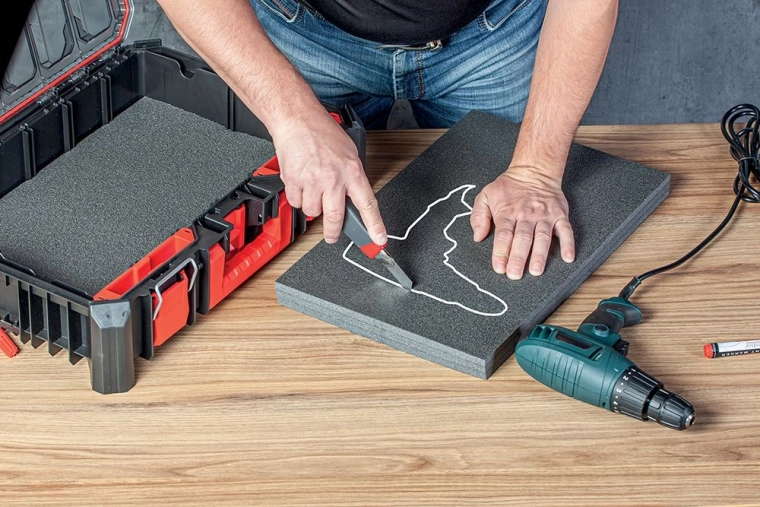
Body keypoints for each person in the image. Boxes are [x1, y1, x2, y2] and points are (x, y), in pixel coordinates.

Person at [157, 0, 618, 279]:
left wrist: (535, 171)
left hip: (494, 34)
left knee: (511, 223)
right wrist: (292, 117)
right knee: (301, 221)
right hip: (302, 34)